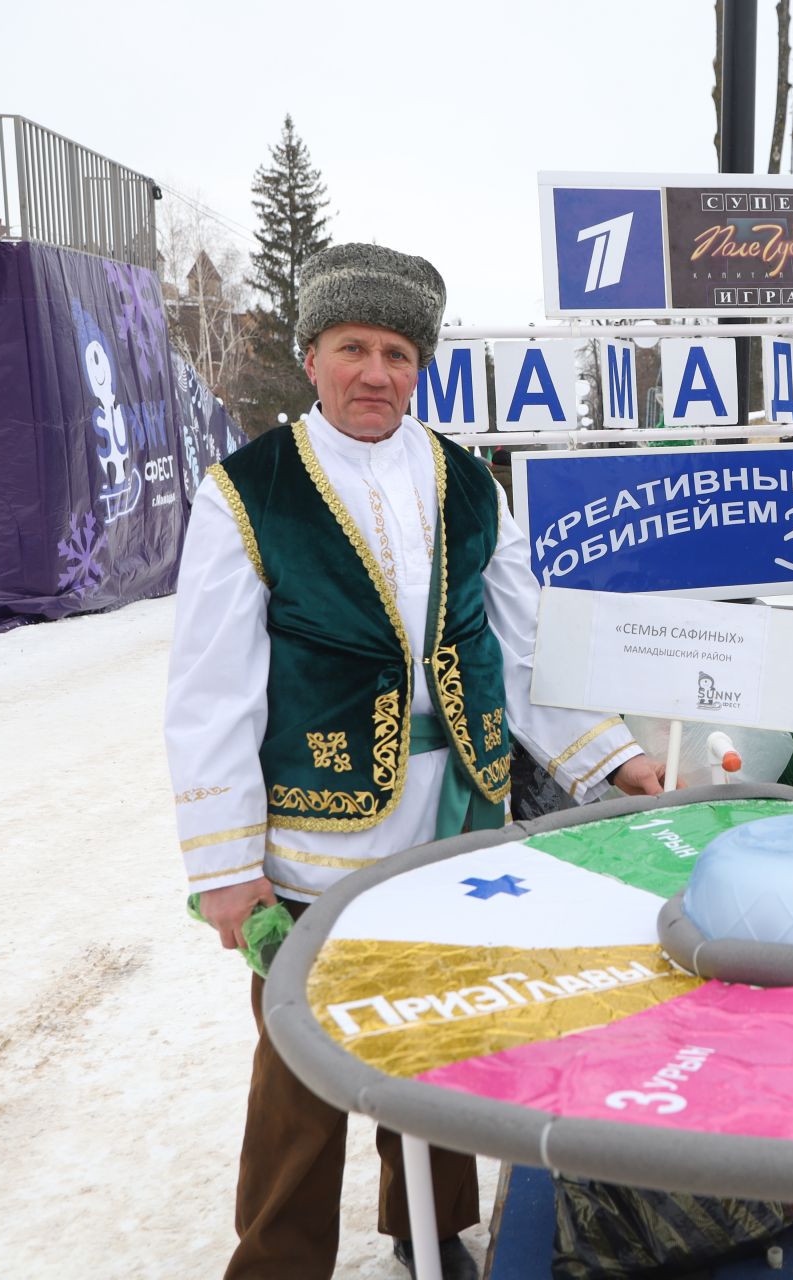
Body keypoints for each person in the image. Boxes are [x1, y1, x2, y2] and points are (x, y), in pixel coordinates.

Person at [166, 242, 663, 1280]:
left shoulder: (469, 484)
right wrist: (224, 865)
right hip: (312, 841)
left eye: (398, 351)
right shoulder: (247, 493)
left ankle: (430, 1240)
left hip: (455, 828)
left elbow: (521, 647)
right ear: (313, 354)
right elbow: (214, 686)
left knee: (440, 1046)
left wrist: (609, 759)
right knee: (302, 1071)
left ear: (420, 363)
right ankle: (277, 1261)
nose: (376, 372)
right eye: (354, 346)